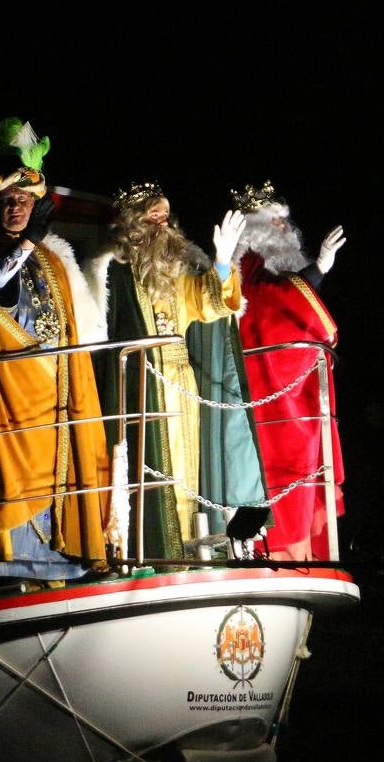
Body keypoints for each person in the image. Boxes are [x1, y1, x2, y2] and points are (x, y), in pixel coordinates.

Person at [0, 118, 111, 589]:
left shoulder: (53, 256)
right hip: (12, 392)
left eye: (24, 199)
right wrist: (29, 241)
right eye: (8, 200)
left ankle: (60, 566)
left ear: (36, 204)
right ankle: (14, 570)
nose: (16, 207)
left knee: (62, 475)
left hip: (57, 387)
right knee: (16, 481)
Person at [86, 183, 260, 560]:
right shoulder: (110, 270)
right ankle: (150, 551)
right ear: (133, 223)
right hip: (137, 383)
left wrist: (223, 262)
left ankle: (189, 550)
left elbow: (213, 303)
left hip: (181, 379)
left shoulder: (176, 268)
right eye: (153, 215)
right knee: (146, 468)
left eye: (166, 215)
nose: (162, 223)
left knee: (186, 468)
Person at [231, 180, 347, 560]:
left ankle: (305, 557)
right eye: (274, 220)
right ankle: (276, 554)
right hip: (268, 390)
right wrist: (319, 270)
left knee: (305, 467)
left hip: (293, 388)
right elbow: (273, 302)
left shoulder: (277, 267)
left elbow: (294, 299)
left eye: (284, 219)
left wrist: (316, 271)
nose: (283, 227)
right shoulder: (248, 262)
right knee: (282, 470)